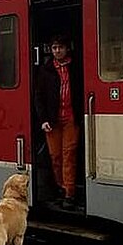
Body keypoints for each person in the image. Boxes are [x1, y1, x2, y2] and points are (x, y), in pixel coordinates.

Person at [34, 35, 82, 209]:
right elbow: (39, 96)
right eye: (54, 48)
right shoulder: (46, 70)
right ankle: (61, 187)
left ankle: (69, 192)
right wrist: (43, 119)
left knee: (69, 154)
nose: (57, 51)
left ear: (66, 48)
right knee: (55, 156)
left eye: (60, 47)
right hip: (53, 119)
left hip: (71, 117)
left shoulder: (75, 68)